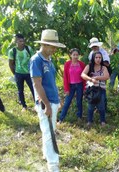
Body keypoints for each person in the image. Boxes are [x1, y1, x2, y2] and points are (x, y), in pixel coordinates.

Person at [30, 29, 66, 172]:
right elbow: (37, 84)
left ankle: (46, 154)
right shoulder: (36, 60)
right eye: (52, 46)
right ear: (44, 45)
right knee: (49, 133)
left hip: (52, 100)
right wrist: (46, 104)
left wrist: (57, 100)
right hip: (46, 102)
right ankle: (53, 166)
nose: (54, 49)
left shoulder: (49, 60)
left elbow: (50, 82)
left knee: (50, 130)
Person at [81, 51, 109, 126]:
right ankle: (89, 121)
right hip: (91, 89)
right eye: (96, 57)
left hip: (101, 89)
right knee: (90, 105)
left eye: (100, 57)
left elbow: (106, 76)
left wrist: (97, 77)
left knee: (101, 105)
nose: (98, 59)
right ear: (93, 58)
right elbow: (83, 74)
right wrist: (90, 79)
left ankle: (102, 121)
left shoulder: (103, 68)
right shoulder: (89, 66)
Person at [58, 48, 86, 124]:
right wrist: (66, 89)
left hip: (79, 85)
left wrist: (84, 87)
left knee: (79, 101)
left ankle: (79, 117)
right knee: (67, 102)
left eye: (77, 55)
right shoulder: (67, 64)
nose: (76, 56)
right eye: (74, 55)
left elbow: (84, 77)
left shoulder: (82, 64)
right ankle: (61, 119)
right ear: (70, 55)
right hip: (71, 86)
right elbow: (65, 77)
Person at [8, 34, 35, 111]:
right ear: (16, 42)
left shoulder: (28, 49)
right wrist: (15, 74)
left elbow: (33, 60)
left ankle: (37, 104)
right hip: (18, 73)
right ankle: (24, 106)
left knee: (33, 89)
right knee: (20, 90)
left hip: (29, 73)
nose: (22, 42)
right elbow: (11, 64)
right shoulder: (12, 51)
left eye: (23, 41)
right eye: (20, 41)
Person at [88, 37, 110, 110]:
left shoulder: (103, 52)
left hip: (102, 73)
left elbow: (107, 63)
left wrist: (98, 62)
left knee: (102, 90)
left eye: (95, 46)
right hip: (93, 74)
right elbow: (90, 63)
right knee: (93, 90)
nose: (94, 48)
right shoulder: (91, 53)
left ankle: (103, 108)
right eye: (93, 47)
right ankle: (95, 106)